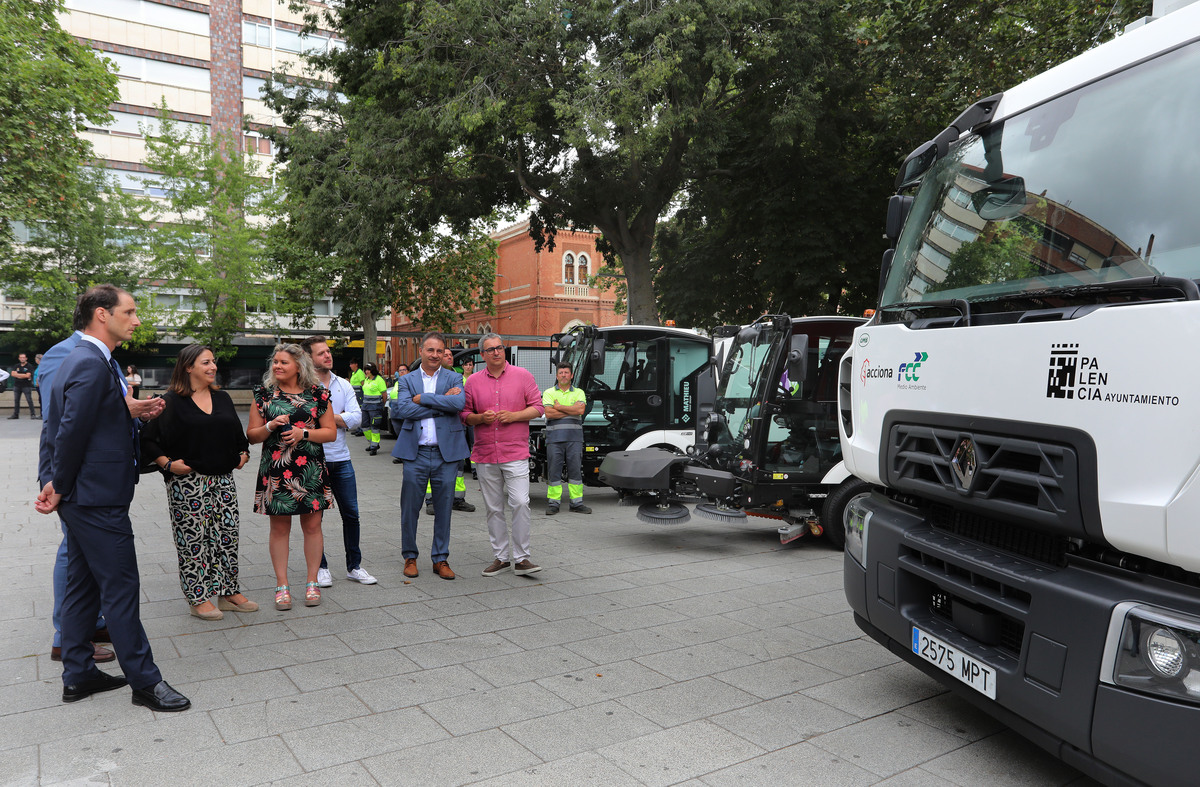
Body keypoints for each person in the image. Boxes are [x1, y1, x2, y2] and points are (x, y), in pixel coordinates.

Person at [36, 285, 190, 712]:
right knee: (121, 587)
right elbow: (67, 431)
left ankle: (78, 674)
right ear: (102, 315)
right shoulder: (88, 361)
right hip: (93, 497)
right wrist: (58, 485)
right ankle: (146, 682)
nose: (136, 319)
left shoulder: (88, 360)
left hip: (87, 493)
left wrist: (54, 482)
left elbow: (80, 422)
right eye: (131, 311)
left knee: (82, 588)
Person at [140, 345, 257, 621]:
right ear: (188, 367)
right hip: (188, 483)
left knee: (227, 537)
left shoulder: (223, 398)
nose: (213, 366)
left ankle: (228, 592)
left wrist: (242, 454)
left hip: (223, 480)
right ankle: (198, 597)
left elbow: (238, 438)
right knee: (194, 541)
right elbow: (147, 439)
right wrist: (168, 464)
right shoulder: (169, 401)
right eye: (206, 362)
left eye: (213, 361)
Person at [248, 344, 337, 610]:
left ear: (299, 366)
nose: (277, 366)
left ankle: (312, 582)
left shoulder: (318, 395)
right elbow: (252, 436)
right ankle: (282, 585)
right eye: (275, 362)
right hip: (277, 471)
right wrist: (269, 426)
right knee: (279, 528)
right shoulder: (263, 395)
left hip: (309, 469)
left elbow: (330, 432)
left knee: (312, 527)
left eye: (283, 362)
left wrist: (303, 433)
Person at [462, 333, 545, 577]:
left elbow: (538, 407)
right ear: (482, 355)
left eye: (500, 348)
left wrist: (514, 415)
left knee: (520, 502)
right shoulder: (473, 382)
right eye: (491, 349)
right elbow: (465, 414)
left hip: (515, 451)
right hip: (486, 452)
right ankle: (501, 557)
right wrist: (479, 418)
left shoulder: (523, 375)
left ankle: (521, 558)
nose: (497, 352)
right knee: (493, 508)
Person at [391, 332, 469, 580]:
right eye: (430, 350)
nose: (435, 355)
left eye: (439, 351)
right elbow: (403, 408)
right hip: (416, 454)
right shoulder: (407, 379)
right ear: (421, 351)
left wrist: (424, 400)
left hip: (447, 455)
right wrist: (440, 405)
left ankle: (440, 558)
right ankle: (410, 556)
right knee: (410, 509)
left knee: (444, 508)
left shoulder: (454, 376)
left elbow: (458, 405)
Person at [301, 336, 377, 588]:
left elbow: (357, 418)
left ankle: (354, 566)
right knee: (314, 519)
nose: (327, 356)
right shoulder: (301, 387)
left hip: (341, 459)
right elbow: (301, 421)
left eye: (328, 351)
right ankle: (320, 567)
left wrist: (325, 418)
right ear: (309, 358)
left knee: (352, 515)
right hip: (312, 461)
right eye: (321, 352)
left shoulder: (342, 384)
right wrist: (335, 420)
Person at [543, 362, 592, 515]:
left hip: (574, 439)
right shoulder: (549, 392)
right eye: (561, 372)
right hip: (554, 439)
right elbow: (549, 414)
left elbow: (581, 410)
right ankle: (553, 503)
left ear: (571, 375)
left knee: (575, 471)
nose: (563, 375)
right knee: (554, 472)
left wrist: (558, 407)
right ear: (557, 375)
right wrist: (571, 411)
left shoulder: (579, 392)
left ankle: (577, 503)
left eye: (566, 373)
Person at [360, 362, 388, 455]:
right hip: (365, 406)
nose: (366, 372)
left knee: (375, 427)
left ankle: (374, 446)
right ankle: (372, 442)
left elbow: (384, 394)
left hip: (375, 408)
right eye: (365, 370)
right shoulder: (367, 379)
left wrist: (381, 405)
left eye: (368, 370)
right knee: (364, 426)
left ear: (373, 370)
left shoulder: (379, 380)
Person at [10, 351, 35, 418]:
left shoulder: (29, 366)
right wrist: (23, 375)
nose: (22, 359)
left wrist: (17, 375)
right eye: (21, 357)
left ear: (26, 358)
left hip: (26, 386)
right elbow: (12, 374)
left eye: (23, 357)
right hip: (17, 385)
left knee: (29, 400)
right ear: (19, 358)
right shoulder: (16, 366)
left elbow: (28, 375)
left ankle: (33, 414)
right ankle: (16, 414)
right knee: (16, 400)